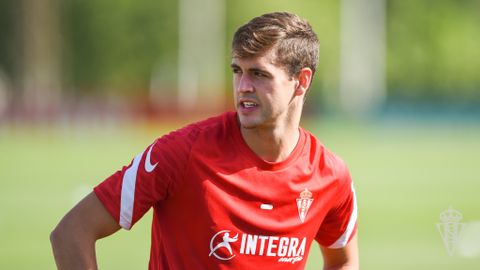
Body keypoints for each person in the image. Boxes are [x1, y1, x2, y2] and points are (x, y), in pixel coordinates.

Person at [50, 12, 358, 270]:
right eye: (237, 71)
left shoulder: (330, 175)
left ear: (301, 81)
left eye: (259, 75)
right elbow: (71, 233)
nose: (243, 87)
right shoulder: (182, 152)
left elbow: (342, 261)